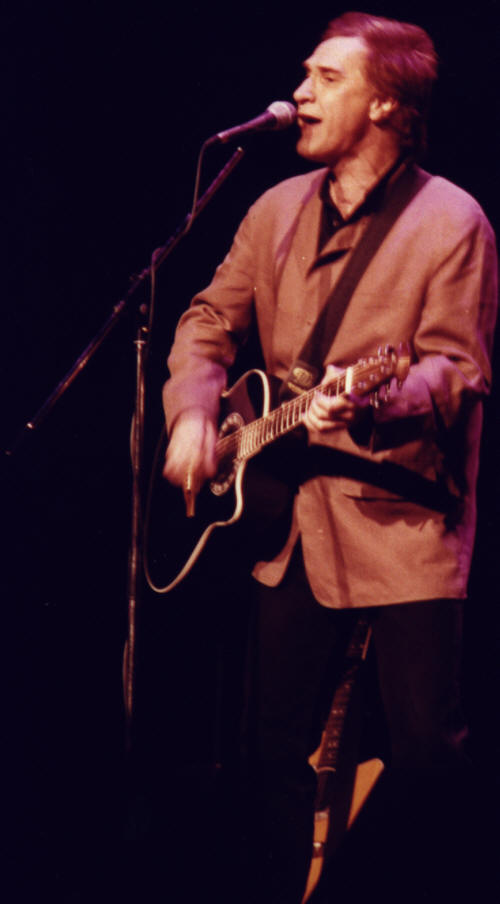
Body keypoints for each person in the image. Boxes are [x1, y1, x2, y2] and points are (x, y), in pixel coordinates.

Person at [162, 12, 498, 903]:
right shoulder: (273, 209)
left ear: (386, 103)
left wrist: (381, 395)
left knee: (427, 753)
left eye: (325, 78)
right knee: (267, 751)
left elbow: (457, 368)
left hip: (404, 524)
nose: (299, 93)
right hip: (291, 528)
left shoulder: (452, 220)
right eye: (303, 74)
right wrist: (193, 413)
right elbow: (206, 320)